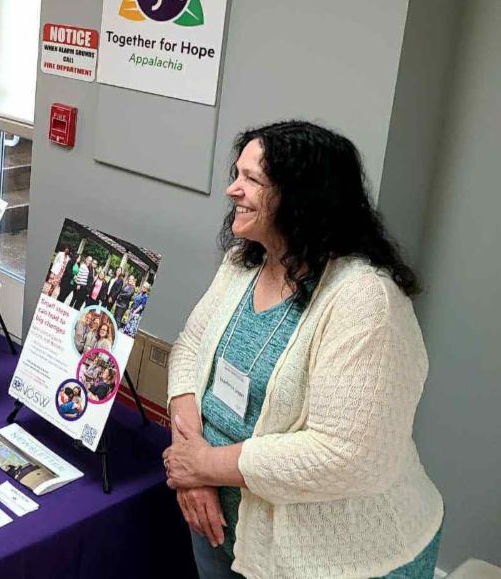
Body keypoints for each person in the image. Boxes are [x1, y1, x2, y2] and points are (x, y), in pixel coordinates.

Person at [163, 121, 442, 579]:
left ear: (301, 198)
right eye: (237, 174)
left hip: (334, 557)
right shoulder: (243, 262)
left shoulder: (365, 300)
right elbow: (191, 347)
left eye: (251, 179)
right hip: (219, 522)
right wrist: (189, 456)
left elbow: (346, 456)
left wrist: (205, 465)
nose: (232, 189)